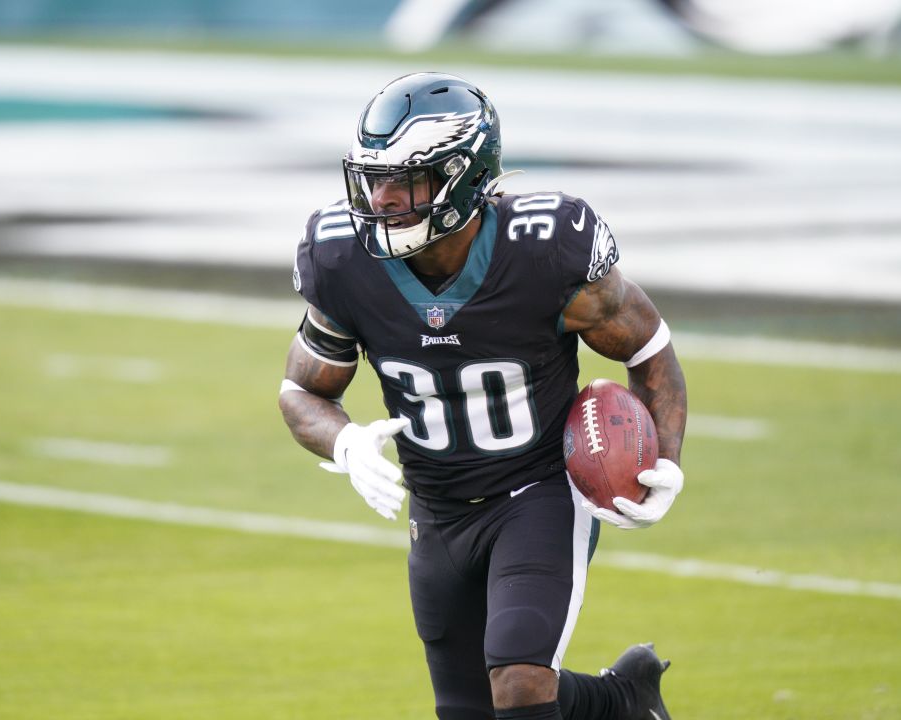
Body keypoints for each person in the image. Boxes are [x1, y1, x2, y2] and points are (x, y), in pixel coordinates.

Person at [278, 72, 688, 720]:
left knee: (520, 682)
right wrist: (345, 441)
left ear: (463, 178)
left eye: (404, 180)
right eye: (372, 178)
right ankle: (621, 702)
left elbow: (647, 346)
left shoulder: (545, 249)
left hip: (538, 491)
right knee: (472, 709)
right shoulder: (343, 258)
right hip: (437, 508)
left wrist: (665, 455)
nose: (381, 198)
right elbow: (303, 389)